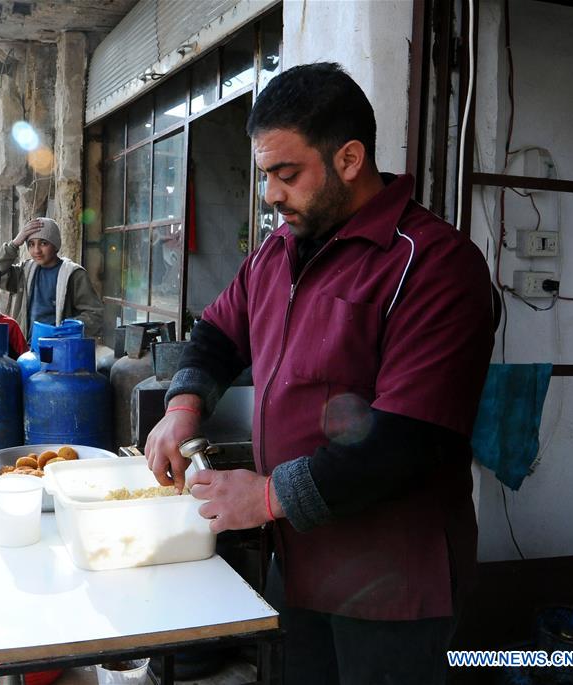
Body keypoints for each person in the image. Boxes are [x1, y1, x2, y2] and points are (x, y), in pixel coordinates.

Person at [144, 63, 495, 685]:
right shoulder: (276, 254)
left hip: (393, 586)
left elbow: (407, 442)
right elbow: (217, 336)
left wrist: (267, 495)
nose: (273, 195)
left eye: (288, 174)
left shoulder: (434, 267)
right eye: (265, 177)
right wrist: (183, 406)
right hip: (298, 559)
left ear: (351, 158)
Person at [0, 217, 103, 339]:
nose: (37, 250)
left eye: (43, 243)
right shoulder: (25, 272)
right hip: (26, 349)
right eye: (31, 244)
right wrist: (14, 245)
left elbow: (95, 314)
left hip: (60, 349)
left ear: (55, 245)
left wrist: (64, 330)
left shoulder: (73, 274)